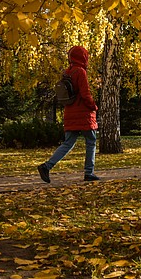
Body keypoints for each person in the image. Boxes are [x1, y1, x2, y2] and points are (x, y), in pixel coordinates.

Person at [38, 46, 99, 183]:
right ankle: (89, 172)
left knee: (68, 143)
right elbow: (85, 94)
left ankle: (47, 166)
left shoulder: (67, 72)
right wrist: (94, 106)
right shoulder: (81, 72)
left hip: (70, 113)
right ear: (83, 57)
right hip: (83, 114)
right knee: (91, 142)